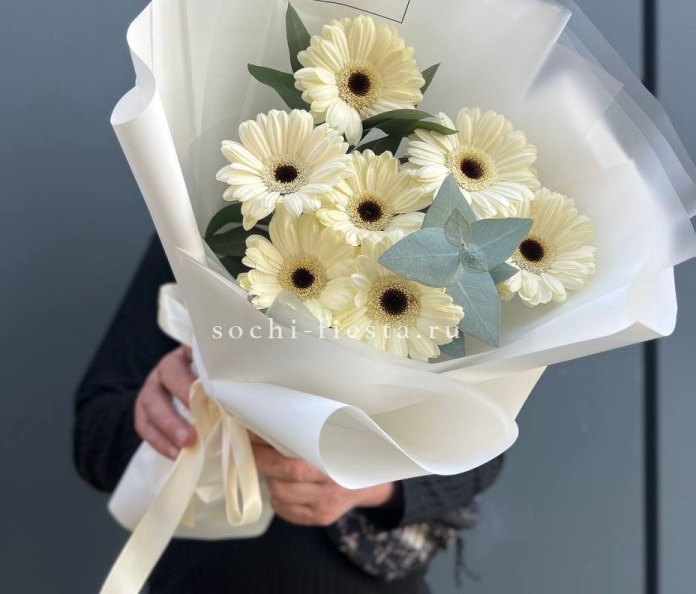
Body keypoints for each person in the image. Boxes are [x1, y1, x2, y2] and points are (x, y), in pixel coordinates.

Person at [73, 236, 503, 593]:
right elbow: (94, 438)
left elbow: (485, 443)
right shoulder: (198, 223)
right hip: (205, 575)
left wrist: (374, 482)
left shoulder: (450, 243)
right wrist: (174, 412)